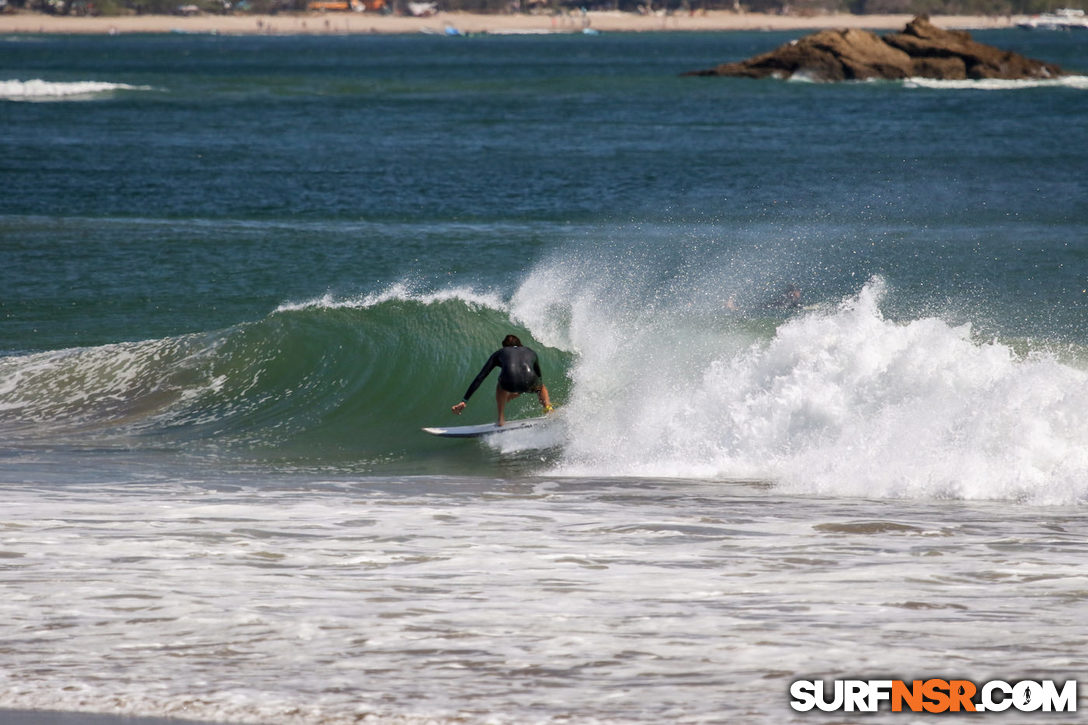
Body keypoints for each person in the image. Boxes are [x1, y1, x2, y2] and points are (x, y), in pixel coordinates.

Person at [451, 334, 552, 426]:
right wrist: (524, 391)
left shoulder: (500, 353)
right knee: (541, 386)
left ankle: (501, 419)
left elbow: (481, 376)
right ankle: (548, 409)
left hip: (509, 382)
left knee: (500, 386)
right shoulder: (531, 352)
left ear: (505, 347)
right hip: (531, 380)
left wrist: (465, 400)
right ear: (520, 344)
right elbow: (538, 376)